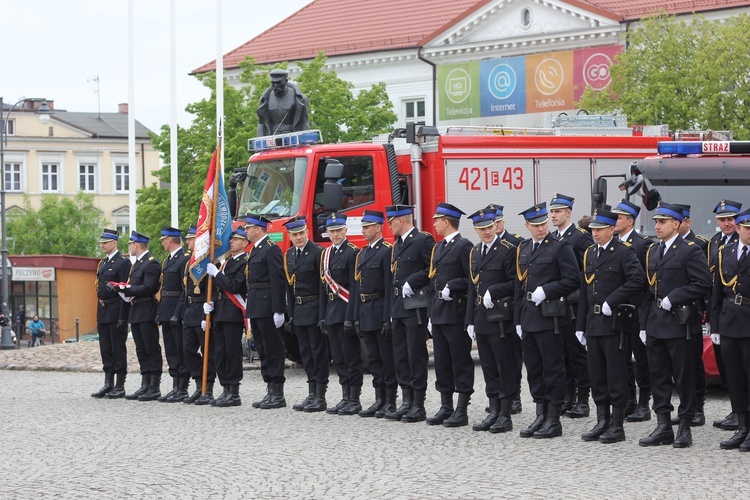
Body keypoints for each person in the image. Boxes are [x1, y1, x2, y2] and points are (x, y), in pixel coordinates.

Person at [638, 202, 712, 448]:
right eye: (656, 222)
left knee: (684, 377)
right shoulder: (653, 251)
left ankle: (685, 426)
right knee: (658, 376)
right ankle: (662, 425)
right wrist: (644, 323)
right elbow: (648, 290)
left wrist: (675, 297)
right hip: (657, 323)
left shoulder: (689, 250)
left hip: (681, 324)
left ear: (677, 224)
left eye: (663, 222)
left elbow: (703, 284)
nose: (657, 226)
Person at [575, 209, 644, 444]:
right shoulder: (589, 254)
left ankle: (617, 424)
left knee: (615, 374)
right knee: (597, 374)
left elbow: (637, 280)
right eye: (593, 229)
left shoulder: (624, 252)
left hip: (614, 323)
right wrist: (580, 324)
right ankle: (601, 420)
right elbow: (585, 289)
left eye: (600, 229)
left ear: (611, 229)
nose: (595, 233)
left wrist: (612, 300)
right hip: (593, 323)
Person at [514, 202, 579, 439]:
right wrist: (517, 319)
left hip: (550, 316)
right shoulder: (523, 248)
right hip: (529, 316)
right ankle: (540, 414)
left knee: (552, 368)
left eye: (543, 224)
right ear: (527, 226)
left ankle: (553, 418)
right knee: (534, 369)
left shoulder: (560, 248)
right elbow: (517, 286)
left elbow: (573, 280)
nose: (541, 228)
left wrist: (548, 290)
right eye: (536, 225)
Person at [466, 208, 518, 433]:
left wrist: (494, 290)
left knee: (503, 364)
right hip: (481, 317)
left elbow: (515, 283)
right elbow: (472, 287)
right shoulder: (475, 252)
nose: (487, 232)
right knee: (487, 366)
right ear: (475, 230)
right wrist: (469, 320)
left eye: (489, 227)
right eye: (482, 228)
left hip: (500, 318)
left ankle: (505, 414)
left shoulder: (508, 250)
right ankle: (493, 409)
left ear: (496, 226)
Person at [424, 202, 474, 428]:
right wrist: (430, 314)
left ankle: (462, 409)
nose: (433, 224)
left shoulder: (464, 246)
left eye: (437, 220)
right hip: (439, 313)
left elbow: (471, 280)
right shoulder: (439, 247)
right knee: (442, 362)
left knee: (460, 361)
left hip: (456, 313)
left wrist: (453, 285)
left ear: (446, 222)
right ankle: (446, 406)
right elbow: (433, 281)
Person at [385, 204, 434, 422]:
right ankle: (406, 400)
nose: (389, 225)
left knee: (416, 354)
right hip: (399, 306)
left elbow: (432, 269)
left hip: (415, 307)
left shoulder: (423, 240)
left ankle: (418, 404)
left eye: (391, 221)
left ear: (401, 220)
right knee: (401, 355)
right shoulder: (397, 245)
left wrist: (413, 281)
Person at [549, 193, 594, 419]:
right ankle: (568, 396)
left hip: (574, 304)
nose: (553, 215)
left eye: (558, 211)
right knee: (562, 353)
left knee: (576, 353)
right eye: (552, 211)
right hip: (557, 305)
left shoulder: (580, 238)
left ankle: (583, 399)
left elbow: (587, 272)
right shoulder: (552, 239)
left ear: (569, 212)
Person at [709, 207, 750, 450]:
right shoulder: (727, 251)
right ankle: (742, 426)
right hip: (728, 321)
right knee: (734, 379)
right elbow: (717, 291)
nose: (749, 232)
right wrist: (714, 324)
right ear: (738, 228)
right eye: (746, 228)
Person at [612, 199, 654, 422]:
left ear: (630, 220)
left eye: (619, 217)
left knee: (641, 357)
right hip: (619, 309)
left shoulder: (642, 244)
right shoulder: (614, 243)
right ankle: (628, 399)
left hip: (636, 309)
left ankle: (644, 403)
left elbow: (645, 281)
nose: (615, 221)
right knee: (622, 357)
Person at [352, 210, 396, 418]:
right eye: (363, 227)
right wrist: (357, 316)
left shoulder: (387, 251)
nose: (363, 230)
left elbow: (389, 287)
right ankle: (379, 398)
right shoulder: (364, 252)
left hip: (380, 309)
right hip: (366, 310)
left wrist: (388, 318)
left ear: (378, 227)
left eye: (367, 226)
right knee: (373, 359)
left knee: (387, 358)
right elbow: (359, 286)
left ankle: (390, 400)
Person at [282, 216, 328, 412]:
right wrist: (290, 315)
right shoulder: (290, 255)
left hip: (315, 308)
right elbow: (289, 288)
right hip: (299, 312)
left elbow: (322, 287)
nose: (299, 237)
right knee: (306, 354)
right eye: (295, 234)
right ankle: (311, 393)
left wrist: (322, 314)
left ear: (307, 232)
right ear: (290, 236)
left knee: (318, 353)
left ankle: (320, 395)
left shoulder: (318, 253)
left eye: (301, 233)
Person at [320, 213, 362, 415]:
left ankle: (354, 398)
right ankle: (345, 396)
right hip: (331, 311)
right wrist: (322, 315)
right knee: (338, 357)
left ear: (345, 230)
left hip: (345, 309)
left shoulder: (353, 252)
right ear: (327, 233)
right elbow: (323, 288)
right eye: (332, 231)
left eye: (339, 230)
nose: (335, 235)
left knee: (351, 356)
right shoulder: (326, 254)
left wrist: (351, 316)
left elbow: (355, 287)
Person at [244, 214, 288, 409]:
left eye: (248, 228)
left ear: (258, 229)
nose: (245, 231)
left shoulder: (271, 249)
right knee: (262, 348)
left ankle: (278, 393)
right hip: (256, 306)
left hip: (268, 306)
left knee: (273, 349)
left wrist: (278, 310)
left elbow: (278, 281)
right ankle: (270, 389)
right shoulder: (255, 249)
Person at [707, 199, 742, 432]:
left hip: (741, 313)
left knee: (741, 368)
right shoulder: (714, 242)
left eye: (730, 219)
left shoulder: (744, 240)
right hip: (722, 311)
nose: (726, 223)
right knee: (726, 365)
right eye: (722, 220)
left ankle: (742, 414)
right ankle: (735, 409)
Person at [673, 204, 710, 426]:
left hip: (692, 312)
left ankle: (698, 406)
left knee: (694, 362)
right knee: (679, 366)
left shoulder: (699, 245)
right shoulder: (661, 247)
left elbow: (706, 279)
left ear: (686, 222)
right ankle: (686, 406)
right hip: (673, 315)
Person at [204, 228, 249, 407]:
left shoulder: (244, 262)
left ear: (245, 243)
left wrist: (216, 274)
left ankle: (234, 391)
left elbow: (234, 286)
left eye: (236, 239)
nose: (231, 242)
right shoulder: (227, 263)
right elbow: (220, 289)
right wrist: (212, 303)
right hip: (221, 312)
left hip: (233, 313)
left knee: (232, 352)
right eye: (231, 239)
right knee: (220, 353)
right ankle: (225, 388)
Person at [118, 231, 163, 401]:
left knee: (151, 348)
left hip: (147, 309)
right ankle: (145, 384)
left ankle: (154, 386)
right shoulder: (136, 264)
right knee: (140, 349)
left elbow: (148, 288)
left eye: (130, 244)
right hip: (136, 310)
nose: (129, 247)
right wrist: (122, 288)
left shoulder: (151, 264)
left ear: (137, 244)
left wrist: (126, 289)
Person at [175, 225, 216, 405]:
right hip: (190, 311)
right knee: (188, 350)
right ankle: (199, 384)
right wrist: (179, 314)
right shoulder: (189, 262)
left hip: (203, 309)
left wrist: (210, 307)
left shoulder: (208, 261)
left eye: (192, 239)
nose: (189, 242)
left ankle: (209, 387)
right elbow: (185, 291)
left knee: (208, 350)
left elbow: (213, 288)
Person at [489, 203, 523, 414]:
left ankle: (515, 396)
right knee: (495, 358)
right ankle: (500, 397)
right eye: (493, 222)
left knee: (512, 355)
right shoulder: (486, 246)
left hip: (509, 309)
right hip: (492, 312)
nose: (496, 225)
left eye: (498, 221)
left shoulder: (515, 243)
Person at [92, 229, 131, 399]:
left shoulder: (123, 263)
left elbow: (125, 292)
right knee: (106, 348)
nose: (102, 245)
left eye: (105, 242)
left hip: (116, 309)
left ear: (114, 243)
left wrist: (123, 316)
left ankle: (120, 385)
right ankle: (108, 383)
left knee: (117, 348)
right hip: (104, 309)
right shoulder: (103, 264)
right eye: (102, 242)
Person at [157, 226, 191, 403]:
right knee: (170, 349)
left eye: (163, 239)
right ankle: (175, 385)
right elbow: (164, 289)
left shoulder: (184, 259)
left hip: (177, 310)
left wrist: (178, 313)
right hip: (166, 309)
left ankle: (183, 387)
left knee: (180, 349)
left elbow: (184, 290)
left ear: (170, 240)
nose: (162, 242)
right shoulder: (167, 260)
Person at [256, 68, 310, 136]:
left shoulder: (300, 99)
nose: (275, 86)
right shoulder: (265, 99)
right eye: (273, 83)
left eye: (279, 83)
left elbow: (304, 122)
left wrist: (305, 140)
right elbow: (261, 123)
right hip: (271, 137)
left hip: (292, 136)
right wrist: (260, 140)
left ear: (286, 81)